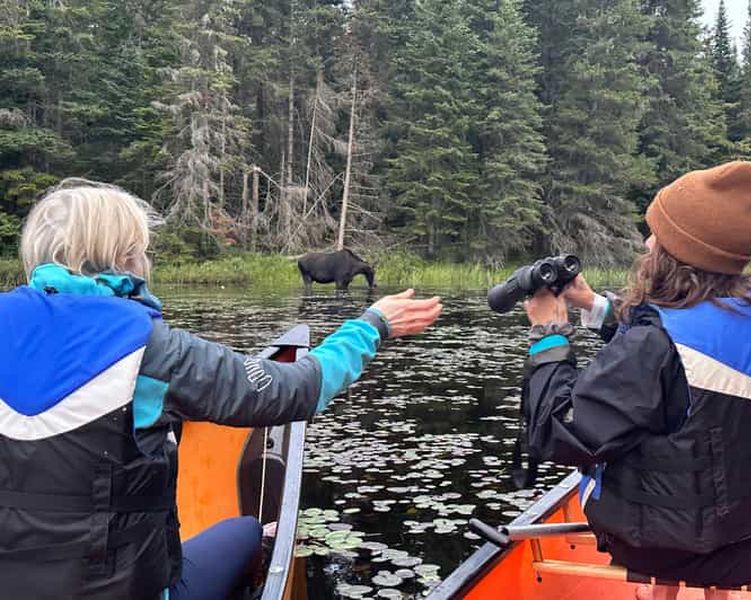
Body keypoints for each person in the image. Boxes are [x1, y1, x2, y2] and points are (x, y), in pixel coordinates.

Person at [0, 179, 442, 600]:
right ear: (126, 258)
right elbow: (296, 389)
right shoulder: (152, 351)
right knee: (247, 531)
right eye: (143, 252)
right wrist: (374, 325)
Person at [520, 161, 751, 600]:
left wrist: (548, 337)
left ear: (681, 253)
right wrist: (594, 306)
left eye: (658, 235)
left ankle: (668, 589)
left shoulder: (654, 346)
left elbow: (557, 433)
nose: (648, 242)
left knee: (635, 443)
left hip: (672, 549)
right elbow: (685, 351)